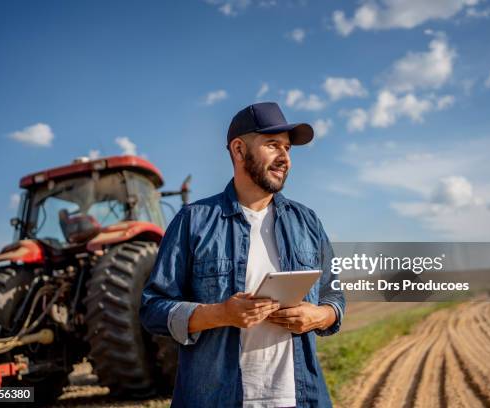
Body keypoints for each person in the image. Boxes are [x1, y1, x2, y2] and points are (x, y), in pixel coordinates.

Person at [140, 102, 345, 407]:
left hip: (300, 398)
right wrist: (221, 314)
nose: (284, 158)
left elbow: (334, 297)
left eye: (287, 148)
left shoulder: (308, 222)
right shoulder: (193, 221)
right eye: (273, 145)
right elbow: (153, 309)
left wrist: (318, 316)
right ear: (238, 150)